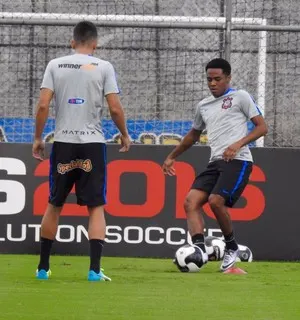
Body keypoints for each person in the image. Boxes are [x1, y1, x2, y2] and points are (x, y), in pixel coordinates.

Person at [32, 21, 130, 281]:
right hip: (92, 144)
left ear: (72, 41)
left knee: (54, 204)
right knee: (96, 206)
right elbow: (116, 108)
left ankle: (43, 269)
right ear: (95, 44)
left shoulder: (55, 64)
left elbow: (43, 106)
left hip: (63, 142)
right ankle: (94, 271)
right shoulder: (104, 67)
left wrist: (38, 138)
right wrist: (125, 133)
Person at [163, 58, 267, 271]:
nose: (212, 83)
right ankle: (199, 250)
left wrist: (238, 143)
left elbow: (262, 127)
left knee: (216, 201)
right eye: (209, 79)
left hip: (238, 160)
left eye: (217, 79)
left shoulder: (240, 97)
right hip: (215, 162)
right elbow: (193, 135)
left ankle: (231, 249)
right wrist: (172, 156)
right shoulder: (203, 105)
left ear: (228, 78)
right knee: (190, 202)